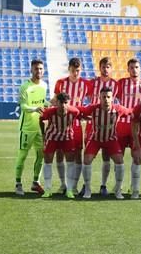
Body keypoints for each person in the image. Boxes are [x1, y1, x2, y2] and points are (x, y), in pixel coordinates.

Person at [78, 87, 131, 199]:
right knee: (86, 160)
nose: (106, 99)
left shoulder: (118, 109)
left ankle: (118, 190)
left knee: (120, 161)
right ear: (99, 98)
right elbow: (79, 111)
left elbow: (131, 112)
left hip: (111, 140)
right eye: (104, 97)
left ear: (112, 99)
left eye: (108, 97)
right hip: (95, 139)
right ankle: (87, 189)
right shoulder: (93, 108)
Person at [52, 57, 89, 195]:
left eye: (78, 71)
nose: (75, 73)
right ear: (69, 69)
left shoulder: (86, 84)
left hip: (77, 125)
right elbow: (55, 101)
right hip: (61, 125)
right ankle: (63, 184)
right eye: (73, 70)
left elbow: (92, 101)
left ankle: (73, 185)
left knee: (77, 154)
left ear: (81, 70)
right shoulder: (61, 83)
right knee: (60, 153)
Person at [14, 59, 48, 196]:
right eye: (36, 69)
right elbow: (23, 106)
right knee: (22, 156)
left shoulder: (44, 86)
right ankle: (18, 184)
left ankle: (35, 182)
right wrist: (35, 108)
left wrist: (49, 103)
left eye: (40, 69)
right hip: (27, 128)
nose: (38, 71)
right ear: (31, 70)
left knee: (41, 155)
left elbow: (42, 102)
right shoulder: (24, 87)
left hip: (40, 127)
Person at [87, 57, 119, 197]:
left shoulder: (116, 84)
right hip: (92, 124)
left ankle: (103, 185)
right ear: (99, 68)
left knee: (106, 156)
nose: (105, 69)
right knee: (87, 156)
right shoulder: (92, 83)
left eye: (108, 67)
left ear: (111, 69)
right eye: (103, 66)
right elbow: (86, 97)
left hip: (108, 124)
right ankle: (85, 185)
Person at [39, 92, 81, 198]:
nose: (63, 105)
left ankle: (69, 190)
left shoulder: (74, 112)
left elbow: (75, 119)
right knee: (48, 162)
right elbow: (41, 119)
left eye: (65, 103)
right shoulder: (50, 112)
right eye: (60, 102)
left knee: (70, 162)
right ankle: (48, 189)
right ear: (57, 103)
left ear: (68, 103)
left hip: (67, 137)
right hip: (52, 137)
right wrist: (43, 134)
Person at [115, 58, 141, 159]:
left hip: (138, 125)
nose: (134, 70)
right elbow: (115, 97)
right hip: (122, 125)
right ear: (128, 69)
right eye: (132, 68)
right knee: (118, 158)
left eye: (136, 67)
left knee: (138, 157)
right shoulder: (121, 83)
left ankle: (136, 175)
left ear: (140, 69)